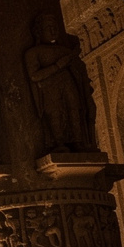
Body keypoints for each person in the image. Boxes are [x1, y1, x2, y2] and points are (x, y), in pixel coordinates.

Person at [25, 13, 94, 152]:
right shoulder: (34, 53)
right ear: (39, 32)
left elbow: (79, 70)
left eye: (55, 27)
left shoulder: (64, 50)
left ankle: (78, 142)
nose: (53, 31)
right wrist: (57, 66)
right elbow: (34, 76)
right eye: (48, 28)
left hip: (68, 82)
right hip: (49, 86)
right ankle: (58, 143)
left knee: (74, 109)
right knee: (54, 113)